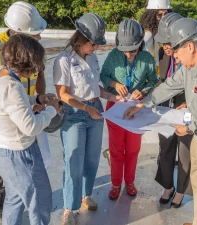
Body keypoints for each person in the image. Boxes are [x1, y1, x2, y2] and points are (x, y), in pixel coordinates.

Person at [123, 18, 197, 225]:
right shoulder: (189, 68)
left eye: (176, 51)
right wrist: (143, 104)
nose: (174, 55)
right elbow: (168, 86)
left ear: (191, 46)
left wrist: (187, 127)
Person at [0, 2, 47, 224]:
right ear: (19, 33)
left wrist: (39, 102)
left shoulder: (30, 48)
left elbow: (39, 76)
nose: (39, 38)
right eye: (35, 34)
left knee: (22, 159)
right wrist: (4, 110)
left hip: (24, 107)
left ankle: (14, 201)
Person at [53, 13, 123, 225]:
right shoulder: (63, 60)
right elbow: (62, 94)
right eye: (94, 44)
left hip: (95, 110)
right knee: (73, 162)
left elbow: (95, 88)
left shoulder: (91, 57)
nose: (96, 48)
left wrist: (113, 97)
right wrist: (85, 108)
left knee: (92, 159)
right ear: (82, 39)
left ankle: (86, 195)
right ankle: (69, 208)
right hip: (74, 114)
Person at [0, 34, 59, 225]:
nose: (37, 70)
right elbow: (30, 127)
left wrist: (36, 100)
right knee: (40, 202)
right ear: (26, 63)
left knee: (15, 198)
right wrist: (53, 109)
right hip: (19, 155)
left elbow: (12, 104)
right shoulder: (13, 86)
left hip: (1, 149)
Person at [100, 19, 158, 200]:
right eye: (125, 51)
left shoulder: (147, 58)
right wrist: (114, 84)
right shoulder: (113, 56)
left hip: (136, 108)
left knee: (133, 149)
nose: (129, 55)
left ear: (140, 44)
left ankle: (130, 182)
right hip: (115, 106)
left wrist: (143, 90)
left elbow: (154, 81)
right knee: (116, 149)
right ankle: (116, 184)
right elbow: (103, 75)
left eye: (133, 50)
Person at [153, 12, 193, 208]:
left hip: (186, 111)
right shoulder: (162, 54)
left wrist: (189, 104)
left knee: (185, 153)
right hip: (165, 110)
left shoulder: (193, 56)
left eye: (168, 43)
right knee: (165, 149)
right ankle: (167, 186)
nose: (165, 48)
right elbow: (161, 81)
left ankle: (180, 190)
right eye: (162, 44)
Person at [140, 0, 172, 74]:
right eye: (159, 15)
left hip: (166, 68)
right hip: (153, 71)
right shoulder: (148, 33)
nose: (163, 18)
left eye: (165, 14)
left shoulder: (167, 29)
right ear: (151, 15)